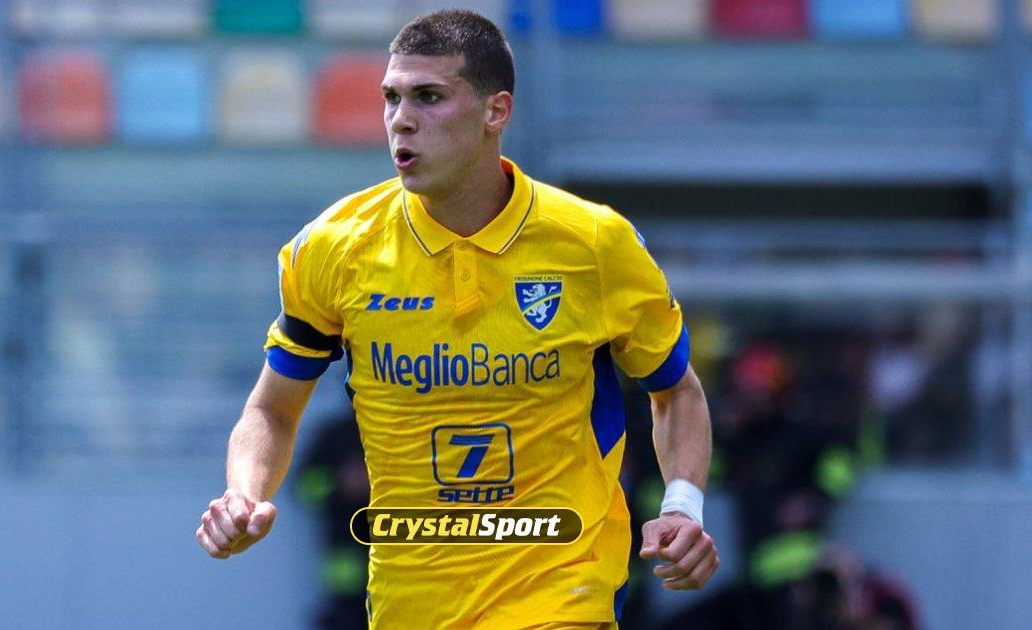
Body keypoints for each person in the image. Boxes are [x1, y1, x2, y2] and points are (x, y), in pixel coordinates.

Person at [196, 9, 718, 628]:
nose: (401, 119)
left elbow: (675, 391)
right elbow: (272, 409)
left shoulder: (594, 245)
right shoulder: (333, 249)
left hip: (563, 591)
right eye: (391, 98)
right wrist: (244, 494)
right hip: (410, 604)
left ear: (496, 111)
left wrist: (683, 506)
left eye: (429, 97)